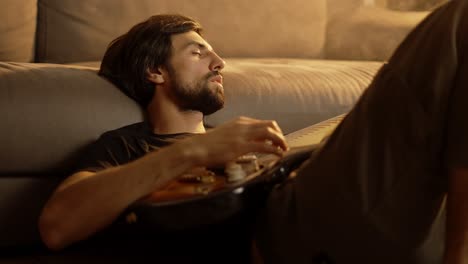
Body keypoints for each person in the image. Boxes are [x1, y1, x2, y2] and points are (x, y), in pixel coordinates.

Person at [38, 0, 468, 263]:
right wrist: (194, 152)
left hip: (348, 215)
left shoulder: (244, 140)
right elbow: (57, 226)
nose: (219, 62)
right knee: (458, 20)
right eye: (198, 51)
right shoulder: (127, 145)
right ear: (155, 71)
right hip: (277, 241)